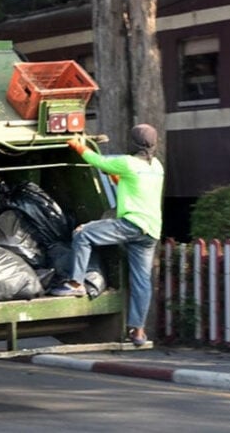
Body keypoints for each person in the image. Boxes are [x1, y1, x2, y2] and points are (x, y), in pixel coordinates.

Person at [51, 124, 164, 347]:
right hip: (150, 230)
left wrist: (79, 147)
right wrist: (117, 180)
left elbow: (98, 162)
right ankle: (138, 331)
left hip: (131, 224)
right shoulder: (156, 166)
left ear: (133, 143)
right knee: (142, 281)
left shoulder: (127, 162)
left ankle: (75, 284)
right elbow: (135, 184)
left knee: (83, 234)